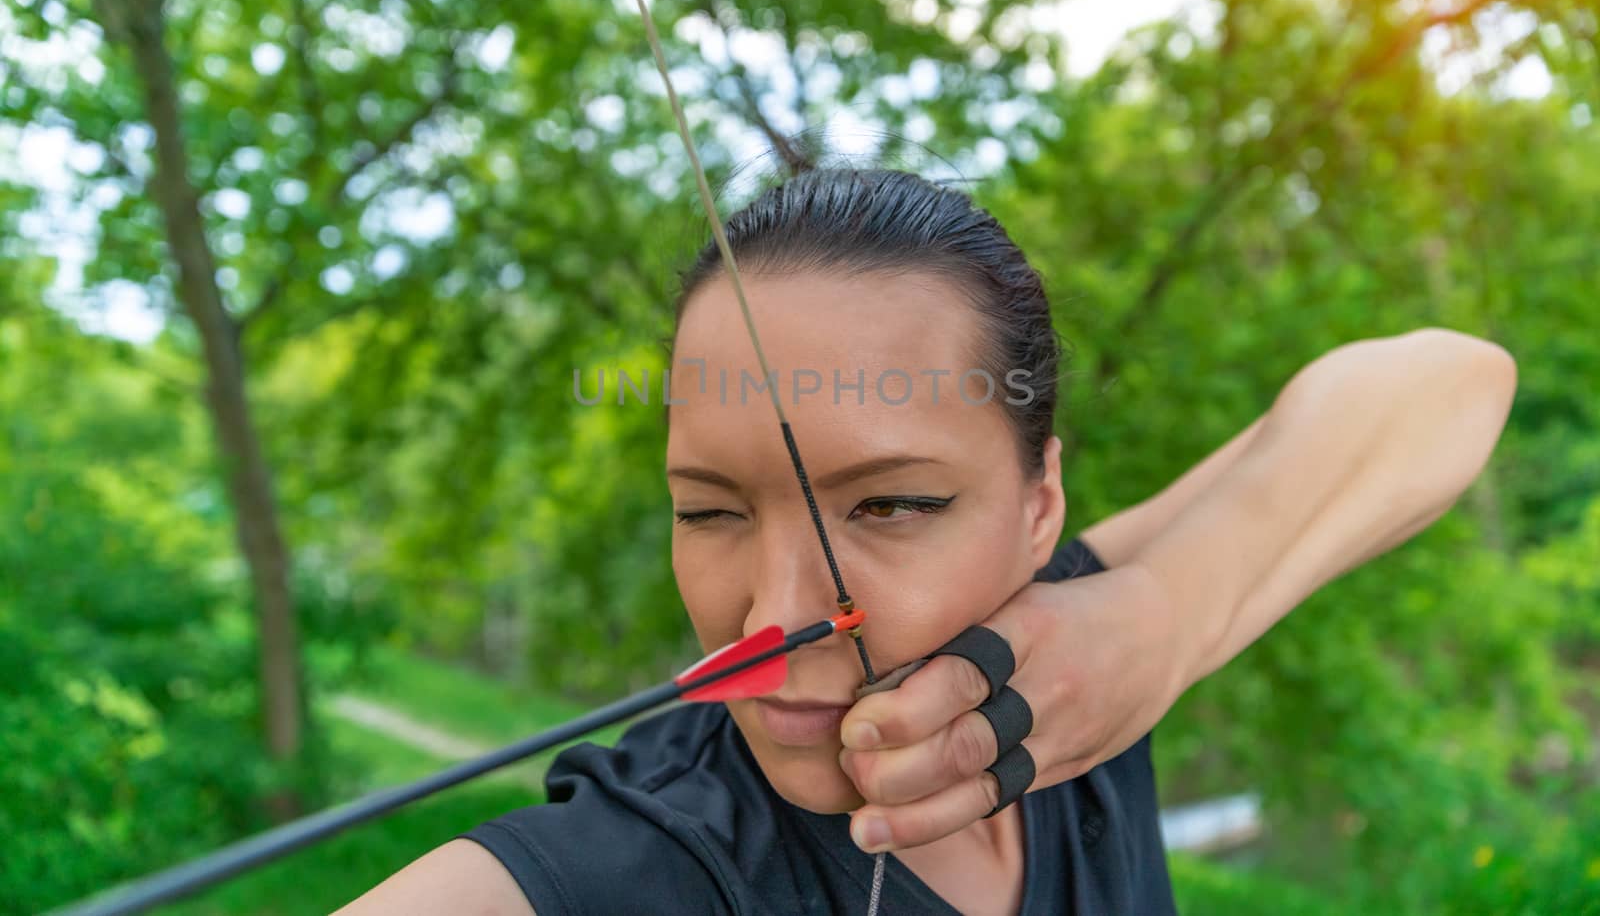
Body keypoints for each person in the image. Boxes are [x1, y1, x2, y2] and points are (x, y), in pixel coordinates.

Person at [336, 169, 1516, 915]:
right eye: (708, 509)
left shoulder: (1075, 636)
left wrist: (1163, 617)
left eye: (891, 504)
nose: (766, 622)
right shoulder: (647, 861)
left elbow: (1454, 381)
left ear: (1037, 501)